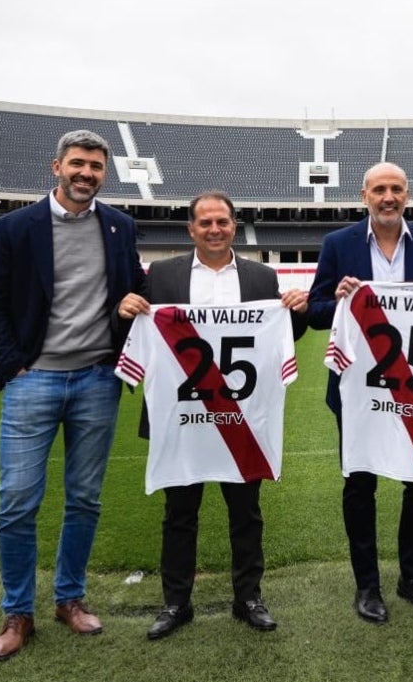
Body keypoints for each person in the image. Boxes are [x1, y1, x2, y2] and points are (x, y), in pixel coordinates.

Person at [0, 129, 146, 661]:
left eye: (96, 167)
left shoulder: (120, 225)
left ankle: (69, 599)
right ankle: (17, 611)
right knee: (17, 500)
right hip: (35, 381)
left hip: (97, 380)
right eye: (77, 164)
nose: (86, 174)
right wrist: (15, 366)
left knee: (85, 498)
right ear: (57, 167)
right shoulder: (15, 227)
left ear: (104, 173)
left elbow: (127, 294)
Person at [117, 191, 308, 639]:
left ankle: (249, 598)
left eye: (222, 221)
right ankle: (176, 602)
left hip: (241, 417)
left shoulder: (262, 277)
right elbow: (139, 329)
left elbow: (281, 333)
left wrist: (295, 311)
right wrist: (125, 312)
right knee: (179, 513)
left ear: (234, 225)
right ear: (191, 229)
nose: (215, 229)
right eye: (205, 223)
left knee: (246, 513)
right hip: (184, 416)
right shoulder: (161, 275)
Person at [308, 162, 413, 624]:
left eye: (396, 188)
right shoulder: (339, 245)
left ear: (407, 195)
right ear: (365, 196)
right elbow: (316, 313)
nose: (388, 196)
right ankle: (368, 584)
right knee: (360, 484)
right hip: (358, 391)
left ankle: (411, 576)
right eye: (380, 189)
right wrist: (336, 297)